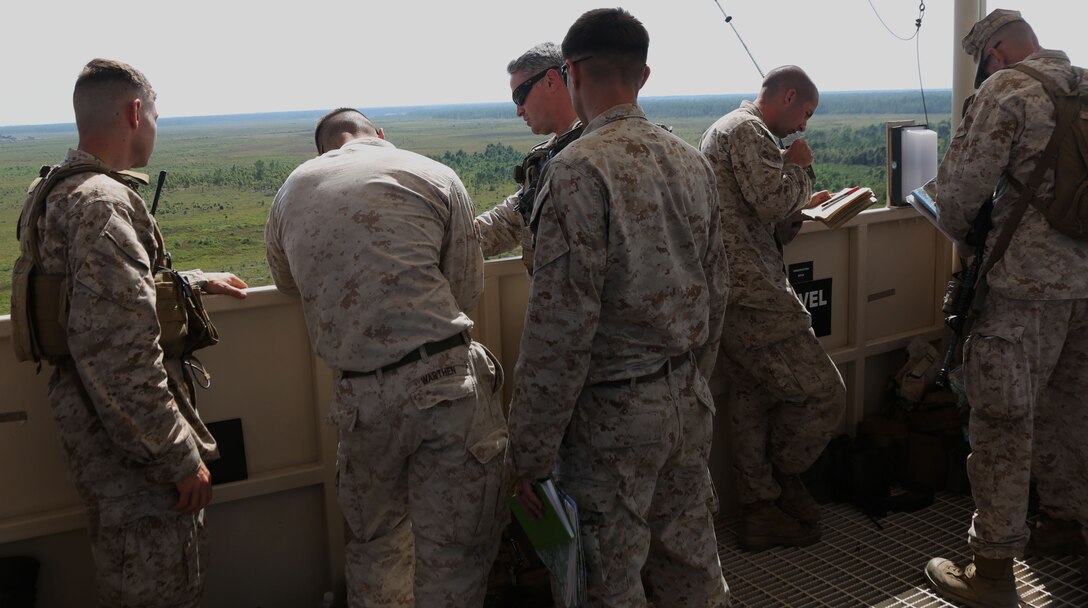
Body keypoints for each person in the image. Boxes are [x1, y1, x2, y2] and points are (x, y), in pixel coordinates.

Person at [508, 8, 731, 606]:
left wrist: (528, 453)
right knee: (693, 561)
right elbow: (717, 293)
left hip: (613, 419)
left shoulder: (577, 169)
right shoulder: (692, 161)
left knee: (606, 579)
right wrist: (691, 381)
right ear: (644, 74)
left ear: (572, 72)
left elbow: (559, 331)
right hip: (687, 398)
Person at [21, 58, 248, 606]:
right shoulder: (103, 203)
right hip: (134, 460)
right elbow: (119, 356)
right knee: (158, 589)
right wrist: (177, 456)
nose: (154, 128)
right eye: (154, 116)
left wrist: (192, 282)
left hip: (98, 435)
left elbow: (93, 297)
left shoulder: (54, 189)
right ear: (135, 111)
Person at [265, 108, 508, 607]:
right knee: (454, 555)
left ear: (323, 151)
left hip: (360, 398)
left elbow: (290, 283)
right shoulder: (433, 173)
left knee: (375, 550)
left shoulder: (291, 191)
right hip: (444, 384)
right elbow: (466, 288)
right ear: (379, 135)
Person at [924, 9, 1088, 606]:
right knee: (1073, 413)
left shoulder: (1006, 88)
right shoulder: (1087, 83)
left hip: (1022, 289)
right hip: (1085, 288)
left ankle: (991, 572)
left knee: (1002, 422)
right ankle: (1067, 524)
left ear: (992, 53)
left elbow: (959, 196)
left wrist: (964, 231)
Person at [698, 65, 846, 551]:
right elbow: (767, 202)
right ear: (787, 96)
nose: (803, 126)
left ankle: (760, 510)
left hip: (730, 291)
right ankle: (785, 478)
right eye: (805, 113)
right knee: (824, 392)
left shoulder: (731, 131)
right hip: (755, 293)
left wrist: (800, 205)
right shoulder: (747, 130)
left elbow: (760, 214)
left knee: (751, 398)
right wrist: (799, 167)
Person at [475, 42, 582, 273]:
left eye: (520, 96)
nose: (519, 110)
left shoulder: (596, 152)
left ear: (551, 80)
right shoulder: (547, 157)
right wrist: (447, 238)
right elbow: (512, 221)